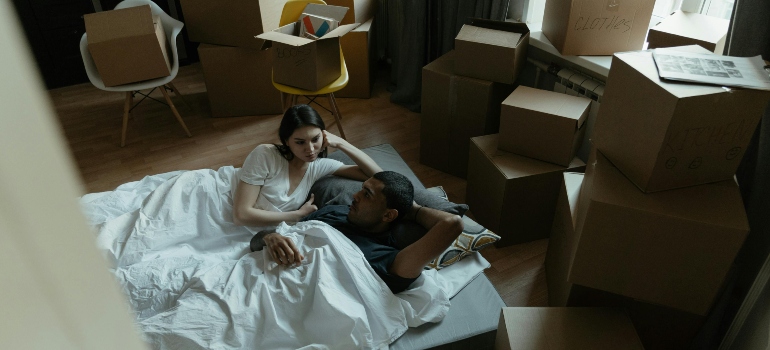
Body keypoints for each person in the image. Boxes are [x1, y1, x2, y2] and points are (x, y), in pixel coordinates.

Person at [252, 171, 464, 294]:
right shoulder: (334, 212)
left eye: (367, 194)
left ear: (389, 216)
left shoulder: (388, 259)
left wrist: (413, 209)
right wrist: (270, 237)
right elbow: (255, 242)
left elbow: (453, 224)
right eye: (362, 189)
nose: (354, 195)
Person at [232, 104, 382, 229]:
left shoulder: (319, 167)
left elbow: (380, 177)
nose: (310, 149)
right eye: (300, 142)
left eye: (315, 139)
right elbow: (241, 215)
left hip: (255, 230)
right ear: (286, 141)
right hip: (221, 207)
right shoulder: (265, 154)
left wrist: (342, 143)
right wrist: (297, 215)